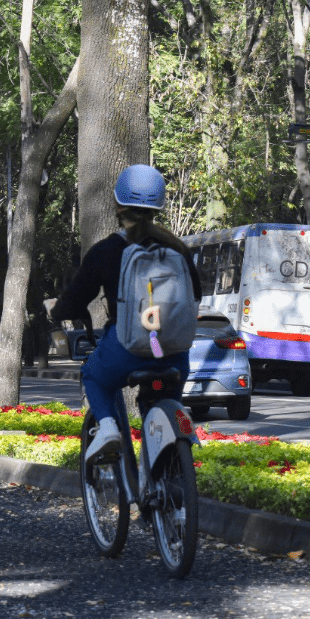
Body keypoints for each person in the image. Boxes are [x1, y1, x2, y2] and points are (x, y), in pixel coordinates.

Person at [49, 164, 202, 461]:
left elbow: (74, 301)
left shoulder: (106, 251)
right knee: (166, 402)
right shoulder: (178, 249)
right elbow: (196, 294)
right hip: (173, 353)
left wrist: (58, 311)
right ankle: (166, 473)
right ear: (158, 207)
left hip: (127, 351)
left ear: (118, 206)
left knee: (93, 375)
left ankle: (108, 428)